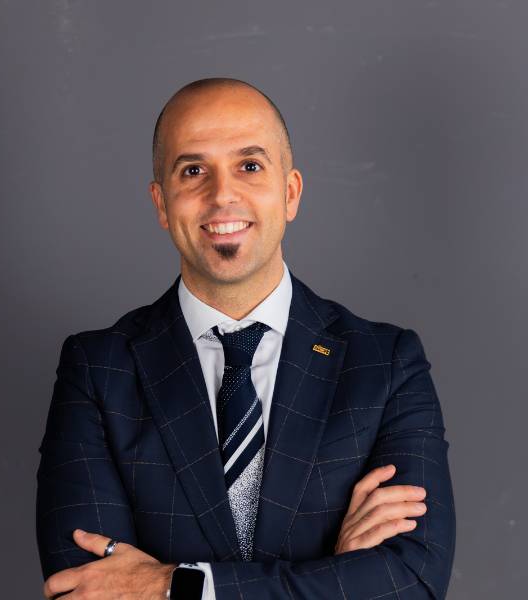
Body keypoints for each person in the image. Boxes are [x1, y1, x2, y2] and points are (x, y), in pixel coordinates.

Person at [36, 77, 456, 599]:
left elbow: (412, 583)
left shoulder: (385, 365)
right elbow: (85, 590)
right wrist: (334, 575)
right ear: (162, 204)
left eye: (250, 166)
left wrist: (174, 587)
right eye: (193, 171)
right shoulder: (98, 370)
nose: (222, 194)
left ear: (290, 193)